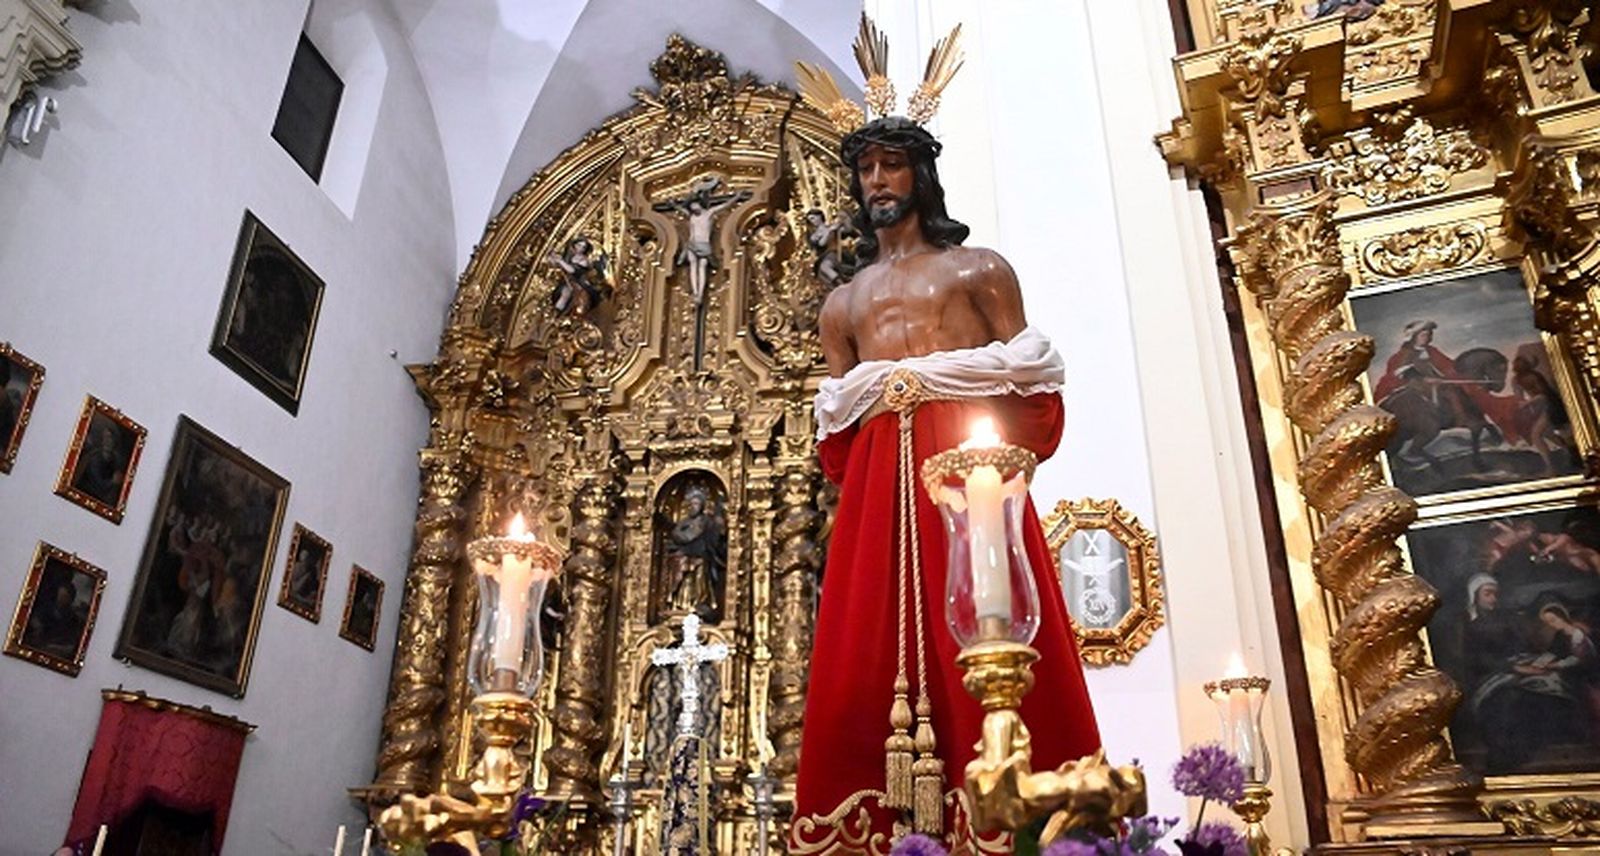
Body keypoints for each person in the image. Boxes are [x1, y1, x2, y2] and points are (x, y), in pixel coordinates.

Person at [791, 114, 1100, 848]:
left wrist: (971, 439)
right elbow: (837, 432)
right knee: (866, 634)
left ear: (921, 177)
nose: (877, 183)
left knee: (991, 617)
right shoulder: (843, 306)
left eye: (892, 167)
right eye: (866, 171)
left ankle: (1014, 813)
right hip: (877, 493)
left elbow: (1031, 384)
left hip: (968, 480)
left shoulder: (978, 271)